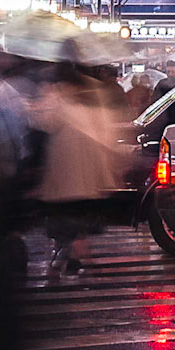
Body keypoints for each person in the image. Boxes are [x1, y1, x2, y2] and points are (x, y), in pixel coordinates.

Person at [28, 60, 125, 282]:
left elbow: (45, 123)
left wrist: (34, 106)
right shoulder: (94, 92)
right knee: (78, 220)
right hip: (90, 174)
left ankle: (63, 262)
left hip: (65, 174)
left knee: (64, 222)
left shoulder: (57, 94)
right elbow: (107, 130)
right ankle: (75, 260)